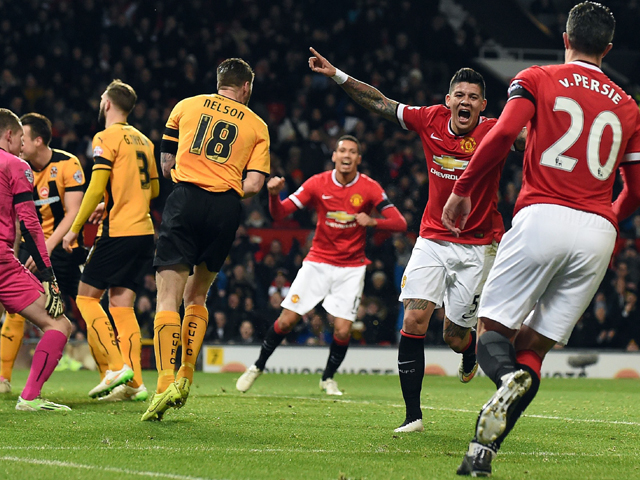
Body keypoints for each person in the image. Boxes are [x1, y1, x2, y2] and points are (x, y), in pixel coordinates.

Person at [441, 3, 640, 476]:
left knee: (493, 331)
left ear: (565, 37)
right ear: (607, 49)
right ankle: (480, 454)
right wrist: (608, 216)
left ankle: (505, 377)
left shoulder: (537, 77)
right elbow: (637, 188)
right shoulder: (629, 106)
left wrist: (462, 190)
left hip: (542, 214)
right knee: (534, 346)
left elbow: (504, 132)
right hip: (598, 231)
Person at [308, 49, 524, 430]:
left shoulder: (495, 129)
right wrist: (337, 75)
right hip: (434, 238)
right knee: (414, 316)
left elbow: (527, 137)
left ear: (483, 105)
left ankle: (469, 350)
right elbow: (379, 102)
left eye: (473, 97)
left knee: (455, 335)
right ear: (448, 100)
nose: (465, 102)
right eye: (459, 95)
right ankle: (413, 416)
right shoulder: (430, 119)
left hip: (481, 245)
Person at [141, 57, 269, 421]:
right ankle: (185, 375)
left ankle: (165, 382)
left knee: (167, 296)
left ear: (220, 82)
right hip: (226, 207)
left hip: (186, 199)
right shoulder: (258, 125)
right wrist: (225, 189)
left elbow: (165, 164)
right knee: (198, 294)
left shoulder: (186, 107)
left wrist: (191, 178)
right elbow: (256, 184)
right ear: (246, 87)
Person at [236, 135, 407, 395]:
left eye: (352, 151)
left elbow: (400, 223)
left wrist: (373, 222)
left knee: (342, 329)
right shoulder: (318, 183)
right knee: (286, 321)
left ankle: (327, 378)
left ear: (358, 159)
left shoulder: (370, 188)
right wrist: (273, 195)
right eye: (342, 151)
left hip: (351, 268)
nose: (347, 155)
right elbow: (280, 212)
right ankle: (258, 366)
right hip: (318, 262)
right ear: (334, 156)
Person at [62, 79, 159, 402]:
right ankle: (135, 383)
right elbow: (154, 190)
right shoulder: (144, 140)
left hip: (119, 231)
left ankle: (115, 367)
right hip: (144, 232)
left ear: (107, 104)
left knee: (86, 298)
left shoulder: (106, 137)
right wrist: (113, 200)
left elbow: (95, 184)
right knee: (121, 305)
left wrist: (75, 228)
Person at [0, 112, 85, 393]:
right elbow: (29, 223)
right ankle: (30, 395)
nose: (22, 146)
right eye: (20, 139)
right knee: (59, 325)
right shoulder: (17, 165)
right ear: (10, 136)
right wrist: (47, 274)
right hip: (3, 263)